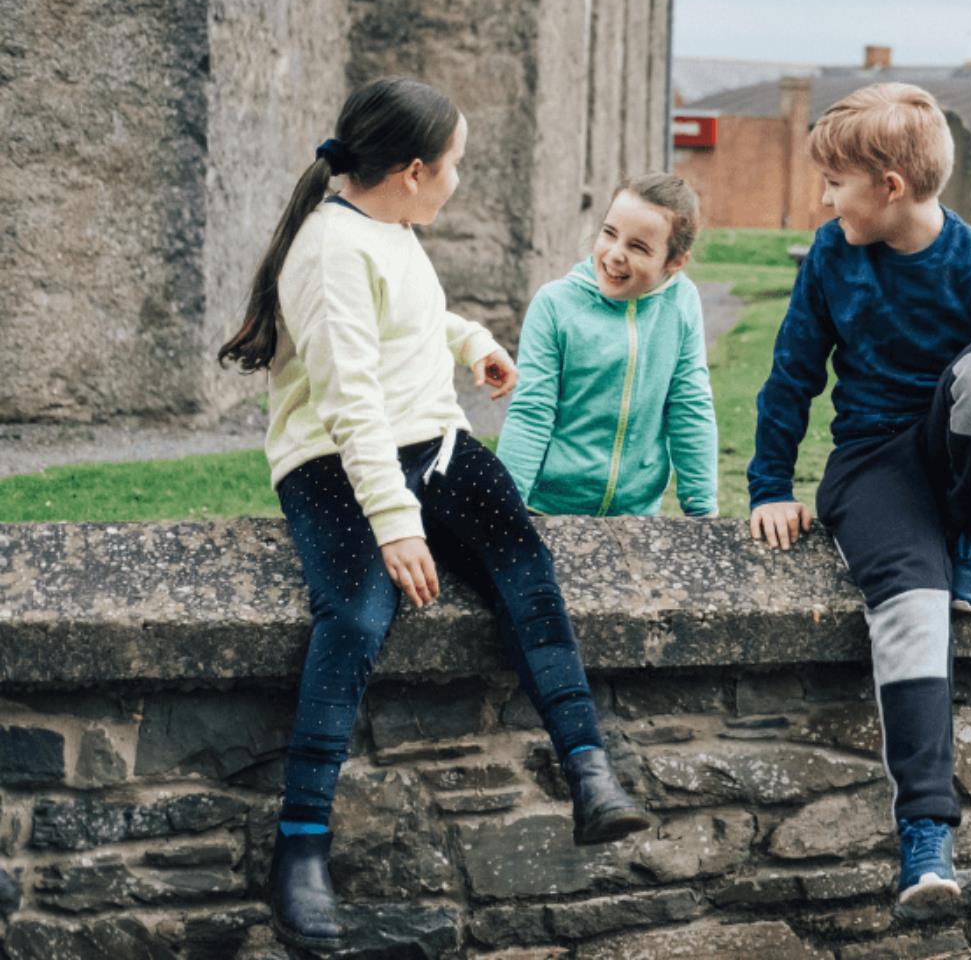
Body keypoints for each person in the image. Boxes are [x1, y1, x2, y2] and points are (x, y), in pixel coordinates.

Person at [218, 77, 650, 952]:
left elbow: (412, 318)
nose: (461, 177)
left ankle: (588, 769)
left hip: (435, 446)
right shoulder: (331, 250)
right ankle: (299, 846)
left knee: (524, 570)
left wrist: (474, 343)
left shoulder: (390, 229)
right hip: (339, 465)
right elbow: (350, 404)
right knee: (357, 613)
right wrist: (397, 523)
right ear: (414, 171)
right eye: (456, 164)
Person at [746, 83, 971, 909]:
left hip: (955, 453)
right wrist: (769, 486)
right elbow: (793, 377)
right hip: (871, 468)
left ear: (888, 186)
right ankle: (926, 843)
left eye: (834, 182)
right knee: (912, 613)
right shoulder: (833, 256)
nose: (823, 199)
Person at [495, 174, 717, 518]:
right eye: (609, 233)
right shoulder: (555, 304)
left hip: (636, 515)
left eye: (638, 247)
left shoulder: (681, 302)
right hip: (548, 510)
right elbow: (531, 412)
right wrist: (506, 513)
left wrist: (702, 514)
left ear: (674, 262)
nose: (615, 255)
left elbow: (690, 407)